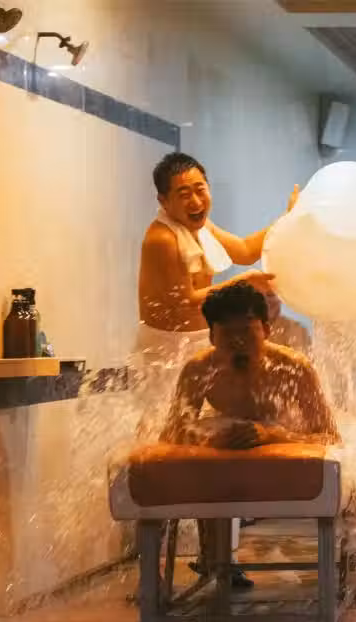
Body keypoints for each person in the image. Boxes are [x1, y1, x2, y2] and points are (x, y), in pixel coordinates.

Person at [160, 282, 338, 588]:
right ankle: (213, 559)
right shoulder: (199, 369)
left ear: (266, 330)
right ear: (211, 336)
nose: (238, 343)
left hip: (282, 432)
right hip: (228, 435)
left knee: (354, 471)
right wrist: (206, 442)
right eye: (227, 335)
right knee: (207, 455)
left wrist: (272, 435)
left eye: (246, 331)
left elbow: (329, 436)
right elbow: (173, 431)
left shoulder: (293, 368)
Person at [134, 152, 297, 439]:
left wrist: (288, 219)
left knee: (213, 424)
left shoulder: (202, 227)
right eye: (184, 194)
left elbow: (245, 251)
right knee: (163, 428)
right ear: (164, 201)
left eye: (200, 190)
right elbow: (183, 301)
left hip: (203, 340)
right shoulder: (162, 239)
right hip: (165, 347)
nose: (196, 202)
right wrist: (241, 283)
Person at [263, 289, 312, 354]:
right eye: (259, 296)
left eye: (270, 295)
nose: (265, 300)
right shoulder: (250, 329)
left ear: (281, 298)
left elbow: (302, 358)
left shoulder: (297, 330)